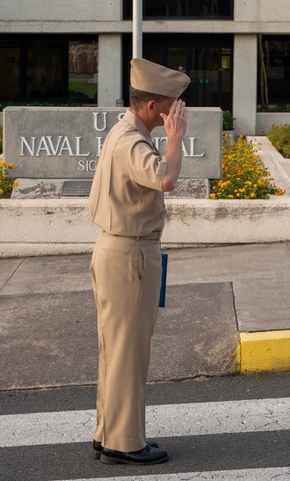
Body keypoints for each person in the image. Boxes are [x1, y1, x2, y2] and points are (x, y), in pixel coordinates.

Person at [87, 58, 189, 466]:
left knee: (115, 350)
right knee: (128, 352)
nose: (177, 113)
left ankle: (107, 432)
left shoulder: (125, 131)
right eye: (172, 106)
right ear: (152, 108)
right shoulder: (133, 140)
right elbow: (166, 178)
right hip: (130, 255)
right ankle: (124, 442)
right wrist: (176, 137)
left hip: (120, 250)